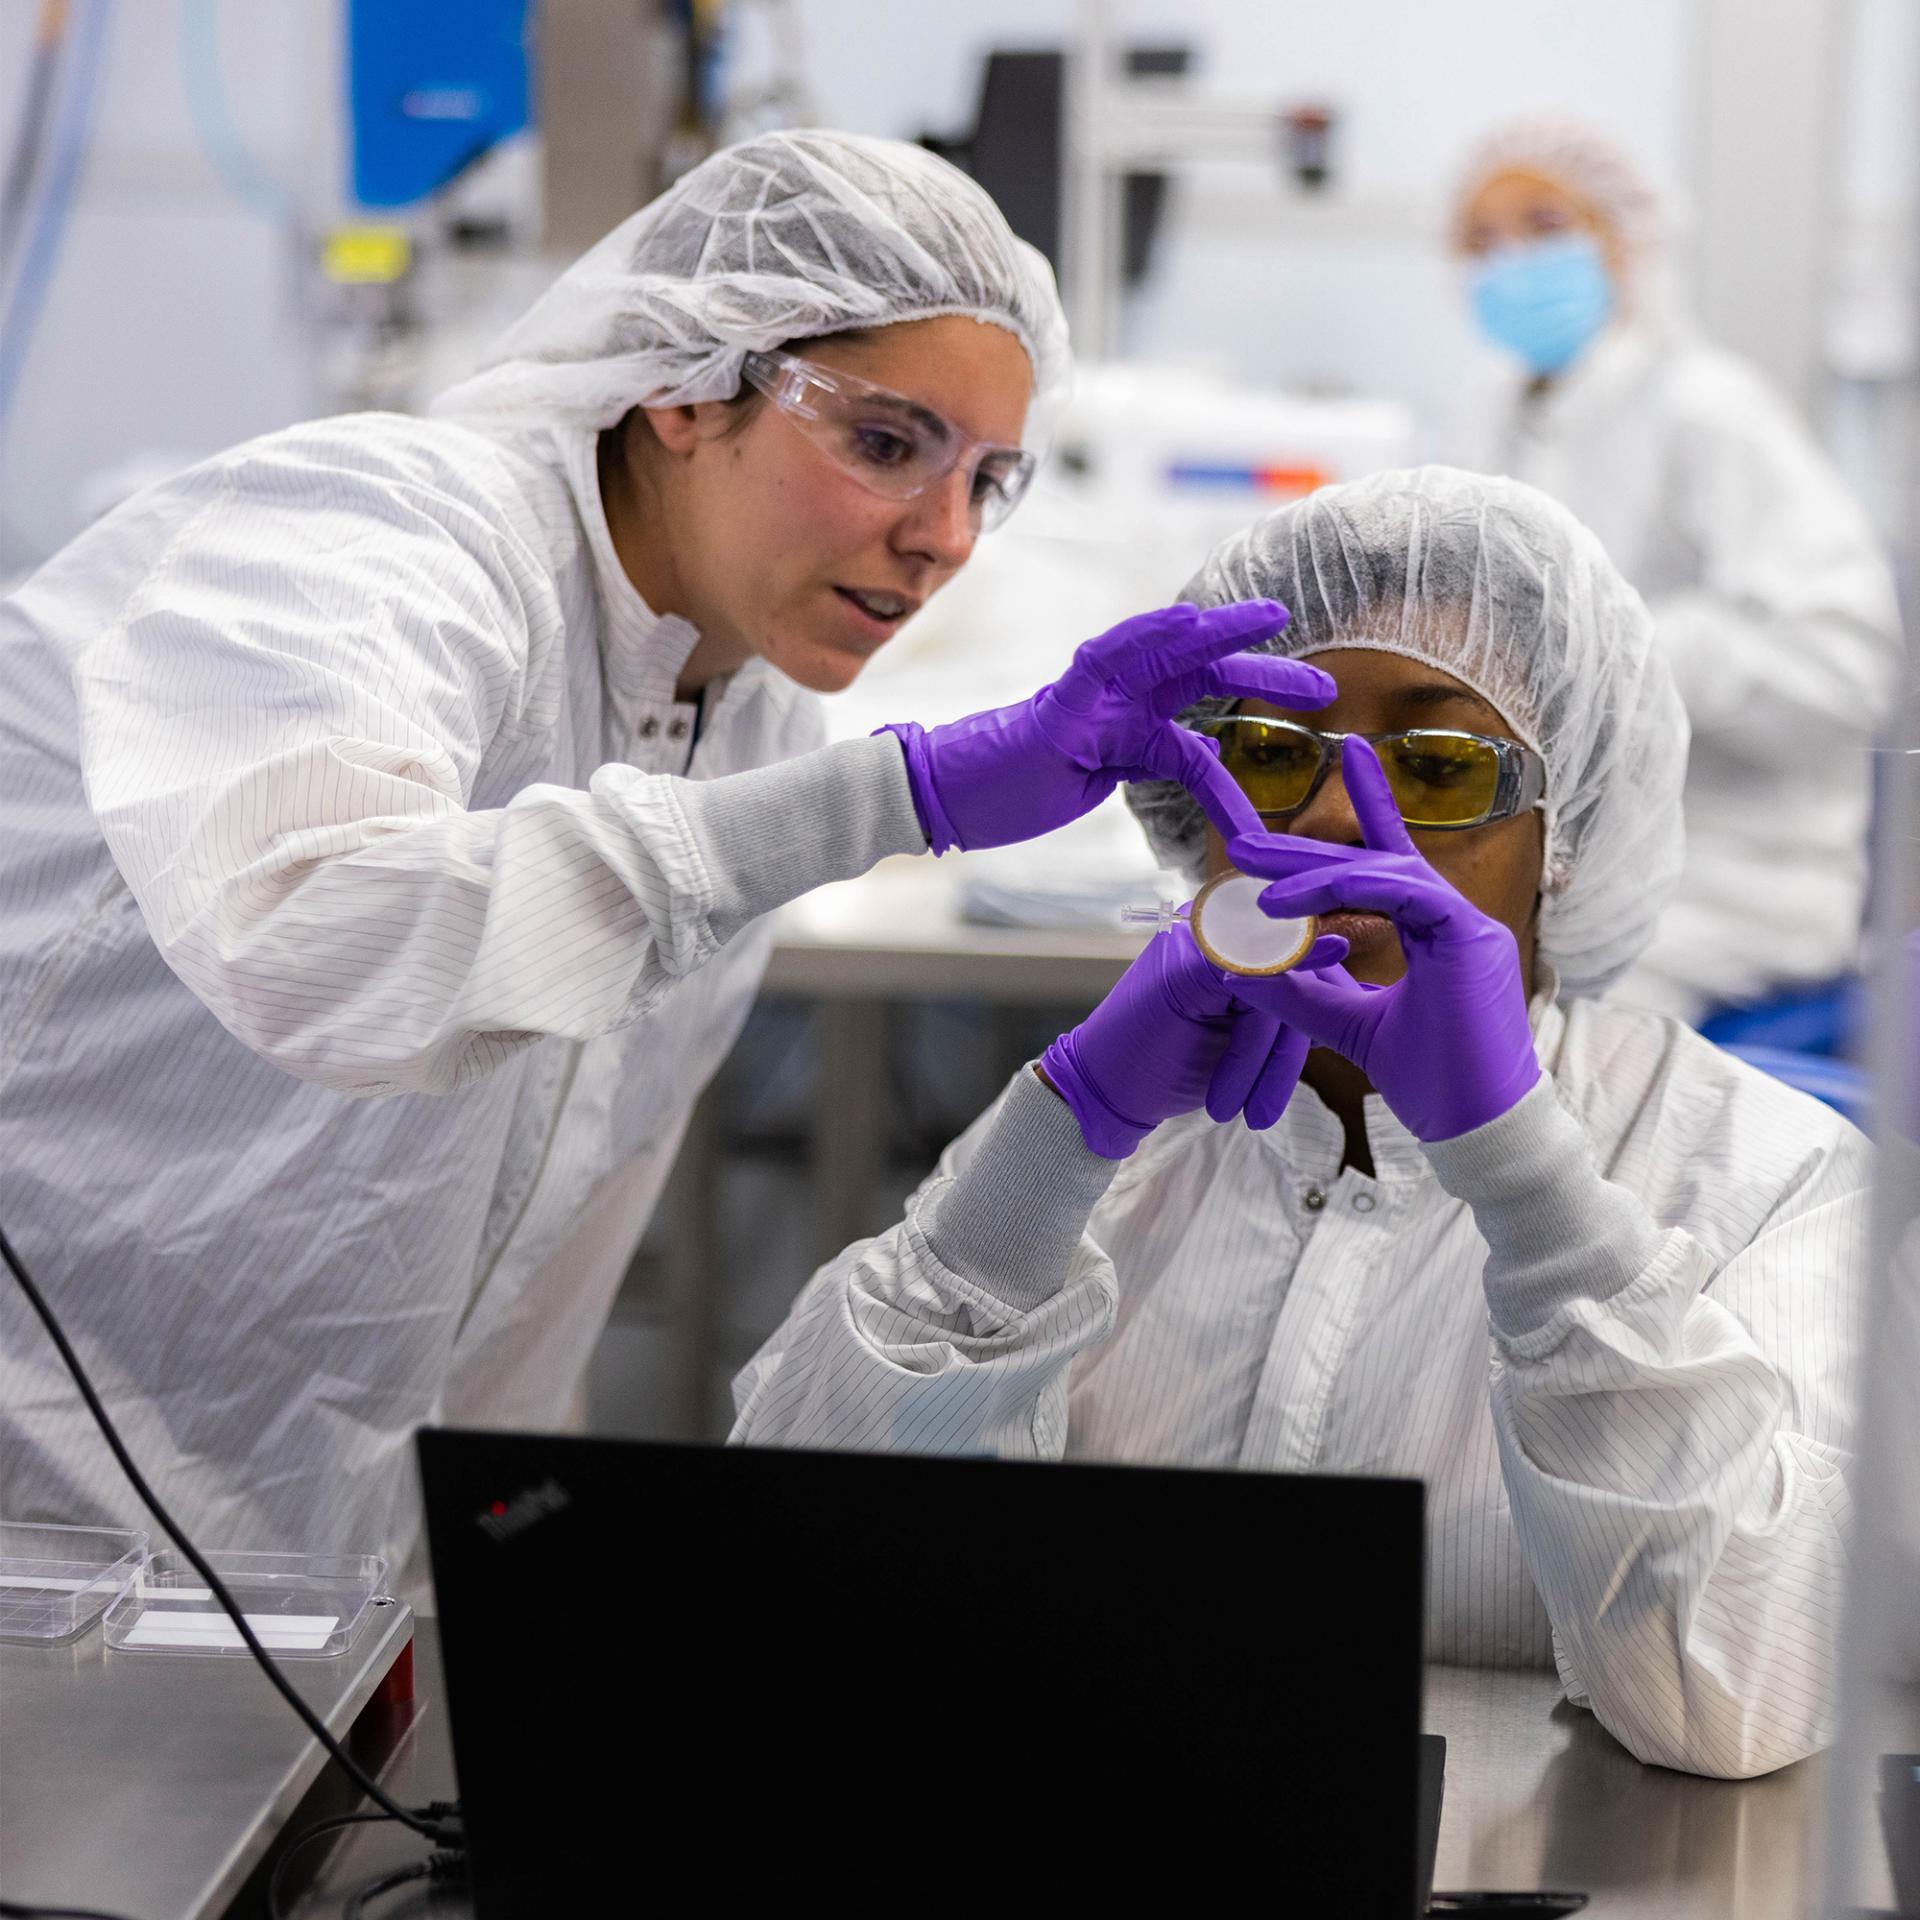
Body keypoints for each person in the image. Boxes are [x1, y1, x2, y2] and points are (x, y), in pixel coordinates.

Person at [0, 128, 1331, 1579]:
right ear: (685, 388)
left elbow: (545, 1238)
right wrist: (899, 798)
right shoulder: (378, 535)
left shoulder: (747, 703)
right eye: (887, 444)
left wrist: (487, 1568)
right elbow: (323, 939)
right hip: (43, 1469)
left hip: (291, 1563)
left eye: (988, 483)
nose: (942, 536)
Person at [733, 468, 1871, 1780]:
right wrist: (1058, 1136)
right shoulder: (1104, 1160)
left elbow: (1727, 1697)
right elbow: (802, 1587)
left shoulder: (1771, 1185)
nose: (1335, 819)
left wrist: (1521, 1175)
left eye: (1439, 769)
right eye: (1273, 755)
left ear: (1567, 835)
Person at [1451, 120, 1903, 1021]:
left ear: (1624, 240)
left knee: (1524, 1046)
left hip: (1731, 888)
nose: (1511, 261)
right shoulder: (1496, 415)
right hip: (1560, 871)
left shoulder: (1709, 412)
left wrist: (1623, 647)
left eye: (1544, 225)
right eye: (1481, 240)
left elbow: (1848, 671)